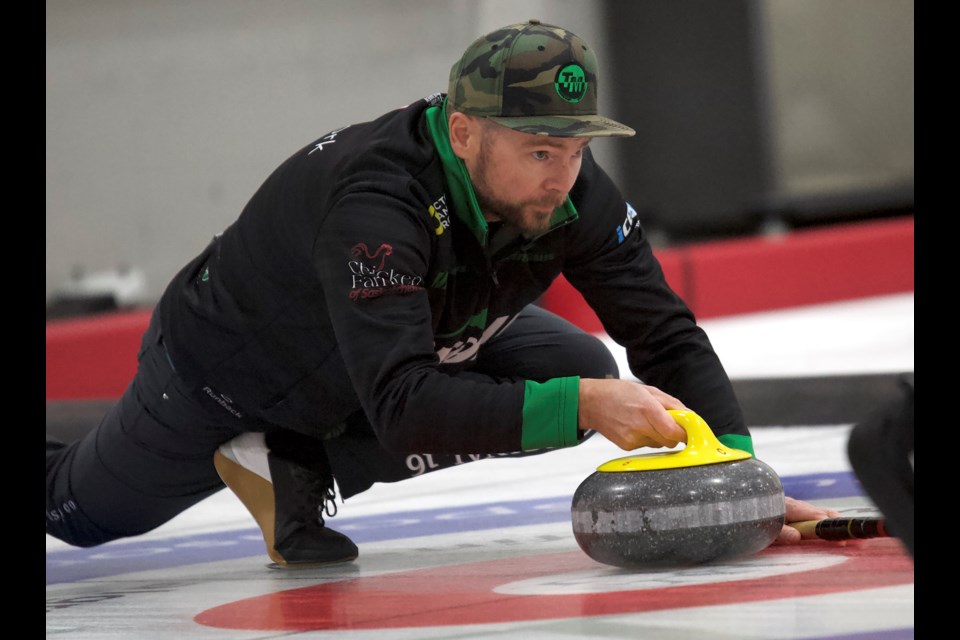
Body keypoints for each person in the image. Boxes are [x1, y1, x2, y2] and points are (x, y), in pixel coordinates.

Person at [46, 20, 839, 568]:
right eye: (537, 151)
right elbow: (401, 402)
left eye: (575, 148)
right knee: (79, 515)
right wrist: (593, 406)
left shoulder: (570, 192)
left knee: (571, 362)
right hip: (222, 374)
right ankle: (278, 450)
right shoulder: (375, 204)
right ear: (463, 134)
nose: (561, 178)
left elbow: (663, 335)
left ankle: (303, 468)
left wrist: (742, 484)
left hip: (376, 360)